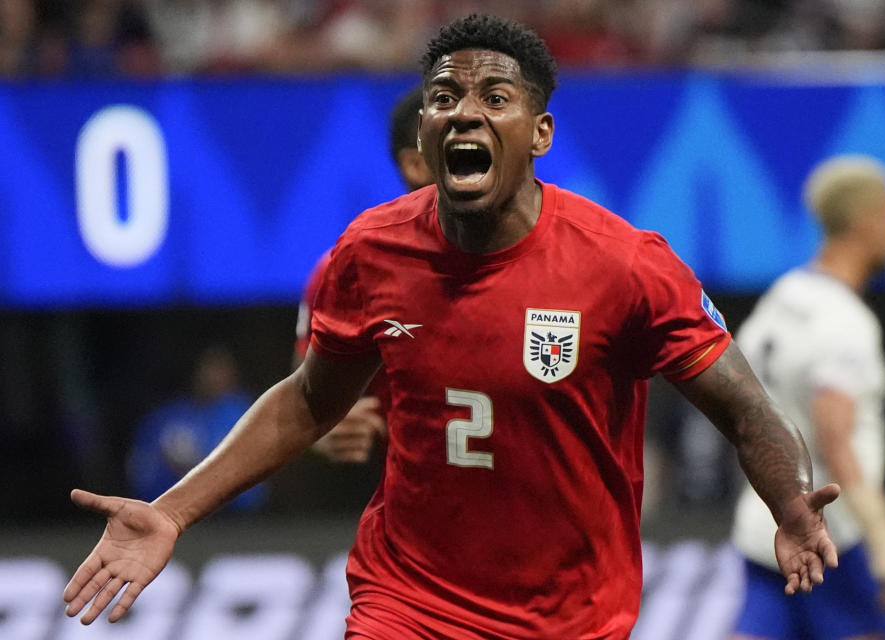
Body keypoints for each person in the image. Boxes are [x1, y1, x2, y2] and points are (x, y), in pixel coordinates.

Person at [63, 14, 841, 638]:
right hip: (409, 602)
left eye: (496, 98)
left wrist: (790, 503)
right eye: (444, 97)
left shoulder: (625, 266)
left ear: (538, 134)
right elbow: (308, 401)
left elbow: (745, 410)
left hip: (572, 617)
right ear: (427, 132)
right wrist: (172, 509)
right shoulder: (371, 252)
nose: (465, 110)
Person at [729, 155, 885, 640]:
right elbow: (837, 440)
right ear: (868, 219)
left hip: (764, 523)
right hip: (832, 535)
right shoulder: (845, 322)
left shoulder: (781, 298)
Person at [295, 85, 433, 464]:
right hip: (416, 505)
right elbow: (307, 396)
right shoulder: (352, 267)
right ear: (415, 164)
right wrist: (324, 430)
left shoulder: (551, 257)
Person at [126, 345, 265, 511]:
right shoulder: (167, 418)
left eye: (220, 369)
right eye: (208, 368)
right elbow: (139, 475)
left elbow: (254, 490)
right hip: (173, 514)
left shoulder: (245, 412)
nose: (212, 377)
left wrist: (199, 465)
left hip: (235, 522)